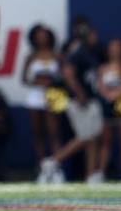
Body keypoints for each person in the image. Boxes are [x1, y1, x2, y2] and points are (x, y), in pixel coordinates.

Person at [38, 19, 104, 184]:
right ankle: (53, 161)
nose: (95, 37)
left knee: (93, 137)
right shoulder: (78, 53)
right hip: (80, 100)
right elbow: (68, 73)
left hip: (89, 98)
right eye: (92, 34)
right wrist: (80, 93)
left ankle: (91, 175)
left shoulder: (89, 52)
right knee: (86, 136)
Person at [22, 24, 61, 179]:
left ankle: (57, 168)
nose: (42, 38)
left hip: (54, 96)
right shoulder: (30, 57)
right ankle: (42, 168)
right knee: (38, 133)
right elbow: (24, 79)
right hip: (35, 96)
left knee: (54, 132)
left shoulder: (57, 56)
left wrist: (52, 82)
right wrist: (37, 82)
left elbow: (64, 76)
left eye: (44, 35)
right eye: (39, 35)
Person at [96, 38, 121, 182]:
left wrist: (115, 95)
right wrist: (107, 95)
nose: (115, 51)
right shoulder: (103, 68)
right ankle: (101, 172)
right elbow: (100, 85)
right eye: (112, 48)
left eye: (117, 48)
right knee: (106, 141)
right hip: (107, 105)